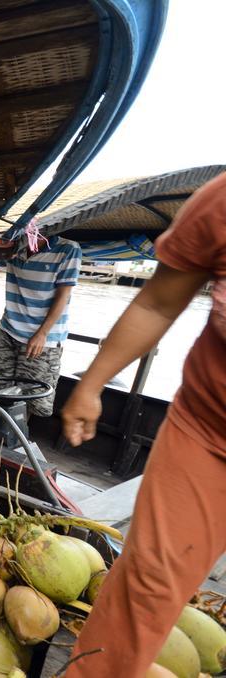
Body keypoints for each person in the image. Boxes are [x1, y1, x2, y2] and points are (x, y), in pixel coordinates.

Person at [59, 172, 226, 678]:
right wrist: (91, 385)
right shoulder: (219, 204)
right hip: (208, 431)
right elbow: (156, 302)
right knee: (149, 582)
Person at [0, 235, 82, 439]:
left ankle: (18, 435)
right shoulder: (16, 246)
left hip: (45, 336)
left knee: (34, 392)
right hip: (9, 327)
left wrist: (42, 333)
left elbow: (63, 296)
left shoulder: (68, 249)